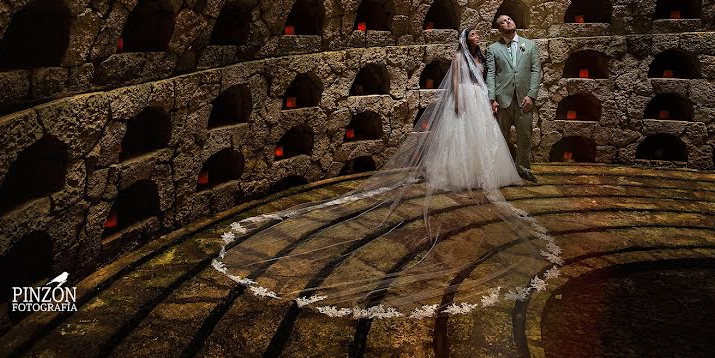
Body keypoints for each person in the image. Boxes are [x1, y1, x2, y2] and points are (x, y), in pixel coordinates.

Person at [211, 28, 562, 319]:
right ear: (464, 40)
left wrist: (486, 97)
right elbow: (455, 82)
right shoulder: (459, 58)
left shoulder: (484, 57)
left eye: (475, 37)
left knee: (483, 141)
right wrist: (458, 101)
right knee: (459, 142)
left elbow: (488, 76)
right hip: (465, 101)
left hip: (482, 100)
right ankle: (462, 173)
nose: (475, 40)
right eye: (470, 36)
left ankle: (486, 172)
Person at [486, 15, 541, 183]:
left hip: (524, 99)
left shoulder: (530, 45)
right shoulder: (493, 48)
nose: (508, 21)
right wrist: (491, 98)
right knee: (501, 137)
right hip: (502, 100)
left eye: (510, 18)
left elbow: (535, 71)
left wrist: (531, 95)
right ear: (499, 29)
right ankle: (500, 171)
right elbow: (491, 74)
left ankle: (524, 169)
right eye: (503, 21)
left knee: (524, 135)